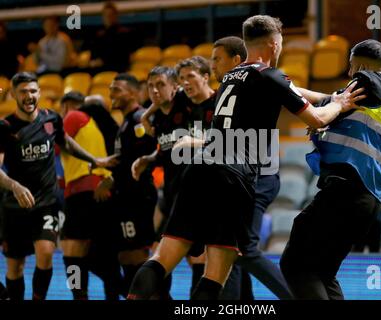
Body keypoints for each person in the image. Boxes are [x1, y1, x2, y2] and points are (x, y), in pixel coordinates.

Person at [127, 15, 364, 300]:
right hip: (232, 177)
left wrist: (327, 96)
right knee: (215, 272)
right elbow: (316, 119)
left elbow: (290, 90)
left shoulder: (230, 78)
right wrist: (338, 103)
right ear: (274, 44)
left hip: (198, 169)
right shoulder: (270, 77)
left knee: (162, 258)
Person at [279, 39, 381, 299]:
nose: (350, 74)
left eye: (351, 67)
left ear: (361, 64)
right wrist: (287, 87)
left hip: (346, 189)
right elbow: (328, 100)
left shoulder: (367, 80)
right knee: (323, 273)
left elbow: (333, 105)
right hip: (367, 199)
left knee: (296, 266)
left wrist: (324, 117)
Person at [0, 72, 109, 300]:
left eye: (33, 91)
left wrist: (93, 160)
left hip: (46, 202)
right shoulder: (5, 127)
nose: (29, 96)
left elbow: (66, 142)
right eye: (23, 92)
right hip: (14, 205)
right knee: (15, 267)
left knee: (46, 252)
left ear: (39, 92)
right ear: (13, 95)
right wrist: (15, 186)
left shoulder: (52, 119)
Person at [210, 36, 292, 300]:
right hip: (236, 177)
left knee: (243, 249)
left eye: (216, 59)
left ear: (236, 60)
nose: (213, 66)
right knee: (229, 249)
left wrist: (332, 101)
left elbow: (297, 92)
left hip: (258, 176)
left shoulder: (260, 80)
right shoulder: (227, 90)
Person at [133, 57, 217, 298]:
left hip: (195, 192)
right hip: (170, 192)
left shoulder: (186, 104)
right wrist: (148, 158)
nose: (155, 90)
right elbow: (166, 150)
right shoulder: (159, 119)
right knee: (161, 255)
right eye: (150, 86)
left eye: (160, 84)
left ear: (175, 87)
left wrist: (143, 115)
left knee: (195, 257)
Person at [95, 73, 158, 293]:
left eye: (117, 89)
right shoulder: (125, 123)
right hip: (126, 197)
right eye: (110, 89)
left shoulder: (140, 119)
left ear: (133, 93)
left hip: (137, 197)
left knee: (136, 255)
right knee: (124, 255)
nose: (111, 94)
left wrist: (112, 177)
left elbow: (143, 159)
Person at [58, 91, 123, 300]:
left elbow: (58, 145)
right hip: (104, 192)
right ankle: (123, 291)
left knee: (71, 251)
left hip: (82, 193)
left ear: (67, 105)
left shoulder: (74, 116)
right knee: (105, 255)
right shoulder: (100, 126)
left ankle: (79, 296)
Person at [88, 2, 134, 72]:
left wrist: (103, 61)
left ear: (116, 16)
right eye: (106, 15)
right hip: (99, 68)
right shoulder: (99, 35)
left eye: (110, 15)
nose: (108, 18)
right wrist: (93, 62)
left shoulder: (124, 34)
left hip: (116, 68)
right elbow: (93, 54)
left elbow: (123, 56)